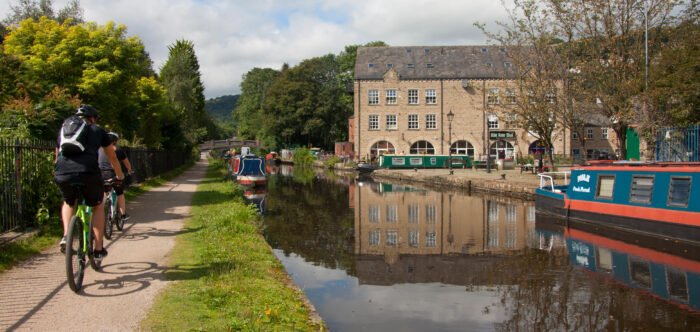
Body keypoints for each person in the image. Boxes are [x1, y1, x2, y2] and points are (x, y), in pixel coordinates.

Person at [54, 105, 124, 261]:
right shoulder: (97, 131)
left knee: (68, 202)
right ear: (92, 118)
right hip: (88, 173)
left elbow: (57, 156)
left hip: (62, 172)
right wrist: (120, 176)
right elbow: (112, 158)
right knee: (97, 206)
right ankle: (98, 249)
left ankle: (66, 235)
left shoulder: (64, 130)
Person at [99, 132, 133, 221]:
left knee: (104, 191)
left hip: (100, 174)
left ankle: (102, 213)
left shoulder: (99, 149)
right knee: (120, 193)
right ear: (115, 141)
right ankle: (123, 214)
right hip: (113, 174)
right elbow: (126, 163)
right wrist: (129, 171)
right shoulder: (118, 149)